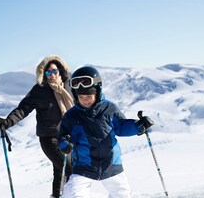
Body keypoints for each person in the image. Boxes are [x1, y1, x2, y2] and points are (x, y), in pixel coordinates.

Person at [57, 66, 154, 197]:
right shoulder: (72, 116)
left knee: (122, 194)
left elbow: (121, 126)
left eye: (89, 96)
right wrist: (64, 144)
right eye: (81, 96)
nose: (85, 100)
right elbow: (63, 136)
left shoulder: (109, 108)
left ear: (97, 91)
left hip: (111, 165)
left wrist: (139, 126)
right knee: (73, 194)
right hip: (84, 166)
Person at [0, 55, 74, 198]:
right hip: (49, 140)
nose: (51, 75)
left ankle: (58, 195)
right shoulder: (39, 90)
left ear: (60, 71)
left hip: (67, 138)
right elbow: (23, 108)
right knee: (70, 171)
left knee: (59, 172)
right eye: (48, 72)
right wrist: (7, 122)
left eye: (54, 71)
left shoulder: (69, 86)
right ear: (44, 74)